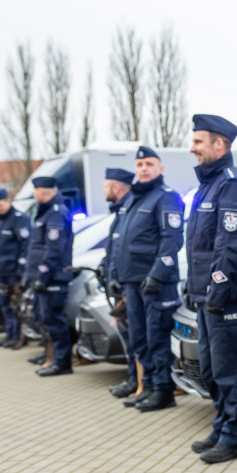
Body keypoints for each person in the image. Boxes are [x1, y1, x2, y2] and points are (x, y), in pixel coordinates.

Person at [185, 114, 237, 463]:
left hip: (225, 298)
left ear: (220, 145)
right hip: (206, 298)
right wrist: (194, 289)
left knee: (231, 370)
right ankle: (222, 424)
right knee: (213, 369)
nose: (192, 148)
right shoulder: (209, 184)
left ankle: (236, 436)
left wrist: (214, 290)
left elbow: (231, 245)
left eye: (198, 142)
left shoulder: (232, 184)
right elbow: (199, 246)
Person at [111, 148, 185, 411]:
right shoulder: (134, 199)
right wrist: (115, 277)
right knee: (140, 338)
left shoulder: (166, 198)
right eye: (140, 164)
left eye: (149, 164)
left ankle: (164, 391)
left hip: (156, 284)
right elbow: (119, 242)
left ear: (160, 169)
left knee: (157, 337)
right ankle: (151, 386)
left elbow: (172, 240)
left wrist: (157, 275)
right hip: (132, 283)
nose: (144, 168)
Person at [25, 176, 75, 377]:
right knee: (44, 319)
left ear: (43, 192)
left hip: (53, 278)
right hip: (45, 277)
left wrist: (42, 275)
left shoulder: (56, 214)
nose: (36, 195)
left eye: (38, 192)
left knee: (54, 320)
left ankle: (62, 362)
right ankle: (51, 356)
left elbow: (54, 249)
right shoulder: (46, 213)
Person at [98, 168, 137, 397]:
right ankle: (133, 379)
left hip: (127, 287)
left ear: (116, 187)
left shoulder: (128, 210)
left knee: (134, 339)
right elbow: (114, 249)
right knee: (127, 337)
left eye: (105, 187)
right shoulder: (121, 211)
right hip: (118, 285)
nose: (104, 191)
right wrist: (105, 267)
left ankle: (137, 381)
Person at [0, 188, 31, 349]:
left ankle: (19, 337)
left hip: (14, 271)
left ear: (9, 201)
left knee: (16, 307)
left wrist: (21, 267)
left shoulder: (19, 219)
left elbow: (25, 245)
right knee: (5, 306)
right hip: (1, 271)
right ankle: (10, 335)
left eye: (1, 205)